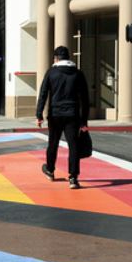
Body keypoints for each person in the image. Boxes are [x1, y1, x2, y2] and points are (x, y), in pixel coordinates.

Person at [35, 45, 90, 189]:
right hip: (72, 115)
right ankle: (73, 177)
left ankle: (50, 171)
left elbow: (43, 94)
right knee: (74, 146)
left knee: (53, 143)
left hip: (55, 115)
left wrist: (39, 114)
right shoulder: (78, 74)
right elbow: (85, 98)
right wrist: (84, 120)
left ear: (56, 58)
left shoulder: (51, 73)